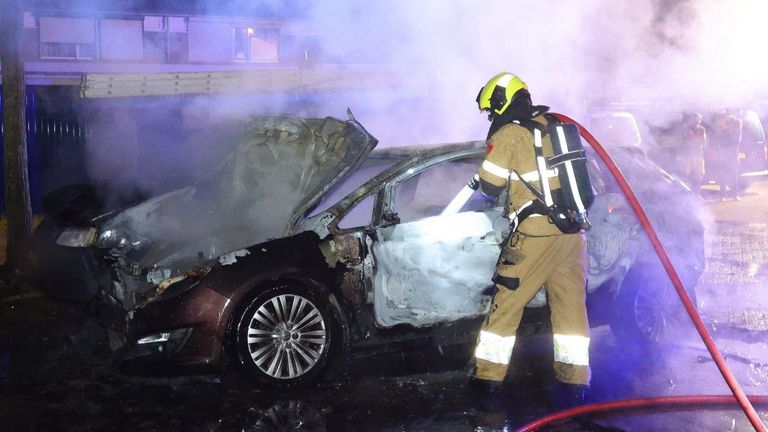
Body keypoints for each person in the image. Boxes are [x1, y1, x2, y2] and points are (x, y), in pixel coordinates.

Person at [469, 72, 591, 407]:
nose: (492, 118)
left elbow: (489, 186)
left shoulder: (510, 134)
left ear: (502, 101)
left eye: (492, 111)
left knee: (506, 306)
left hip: (535, 234)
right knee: (570, 311)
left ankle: (487, 381)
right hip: (572, 234)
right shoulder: (555, 126)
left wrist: (486, 167)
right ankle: (574, 382)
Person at [680, 112, 707, 194]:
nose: (697, 121)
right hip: (689, 154)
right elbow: (685, 140)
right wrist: (693, 138)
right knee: (687, 174)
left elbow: (703, 140)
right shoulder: (686, 129)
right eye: (695, 119)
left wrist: (694, 138)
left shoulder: (702, 129)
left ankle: (697, 193)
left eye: (698, 119)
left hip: (698, 154)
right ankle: (686, 193)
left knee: (699, 174)